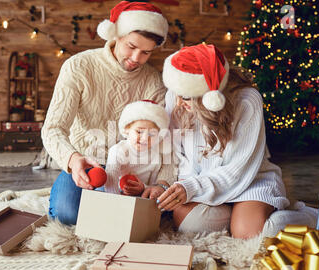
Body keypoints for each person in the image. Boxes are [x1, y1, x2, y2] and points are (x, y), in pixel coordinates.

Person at [42, 1, 173, 225]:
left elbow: (165, 140)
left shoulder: (153, 81)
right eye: (131, 46)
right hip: (86, 161)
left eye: (146, 52)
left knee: (156, 215)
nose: (135, 58)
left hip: (131, 167)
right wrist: (73, 160)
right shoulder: (78, 67)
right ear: (116, 35)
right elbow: (53, 128)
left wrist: (161, 184)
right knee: (68, 214)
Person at [157, 43, 291, 239]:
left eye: (185, 97)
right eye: (175, 93)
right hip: (203, 181)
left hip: (249, 180)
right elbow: (181, 156)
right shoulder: (177, 95)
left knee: (248, 234)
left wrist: (194, 188)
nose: (177, 102)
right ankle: (235, 214)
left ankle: (304, 216)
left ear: (209, 96)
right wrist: (186, 185)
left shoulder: (247, 100)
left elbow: (238, 169)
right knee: (189, 224)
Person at [104, 100, 174, 195]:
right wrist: (117, 203)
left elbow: (153, 187)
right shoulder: (119, 150)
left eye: (152, 134)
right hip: (114, 193)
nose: (145, 138)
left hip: (140, 196)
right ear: (127, 129)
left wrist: (143, 188)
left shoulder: (156, 157)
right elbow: (110, 181)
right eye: (139, 132)